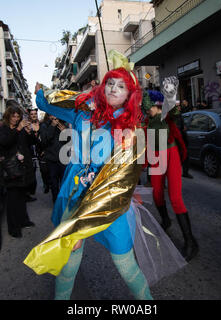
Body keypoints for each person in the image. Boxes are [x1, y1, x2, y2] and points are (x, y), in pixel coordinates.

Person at [28, 52, 154, 300]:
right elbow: (45, 104)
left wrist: (131, 140)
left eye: (122, 86)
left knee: (126, 264)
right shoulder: (84, 112)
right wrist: (42, 91)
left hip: (109, 202)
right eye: (110, 83)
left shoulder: (132, 129)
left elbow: (131, 173)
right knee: (69, 263)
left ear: (130, 96)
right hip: (76, 196)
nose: (114, 89)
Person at [143, 89, 199, 261]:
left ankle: (190, 241)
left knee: (175, 197)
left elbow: (175, 110)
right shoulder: (147, 120)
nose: (146, 109)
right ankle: (166, 220)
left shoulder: (167, 115)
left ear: (156, 104)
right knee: (157, 194)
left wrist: (170, 96)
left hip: (171, 154)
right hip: (156, 157)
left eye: (148, 105)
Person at [0, 101, 36, 238]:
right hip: (11, 169)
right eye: (14, 116)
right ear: (8, 117)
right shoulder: (3, 129)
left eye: (18, 116)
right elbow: (4, 143)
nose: (16, 119)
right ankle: (14, 228)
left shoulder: (22, 128)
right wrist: (17, 130)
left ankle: (23, 220)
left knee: (22, 197)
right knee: (12, 200)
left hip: (23, 168)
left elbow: (31, 144)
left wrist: (30, 133)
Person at [39, 113, 68, 203]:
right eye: (51, 114)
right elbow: (44, 140)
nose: (54, 117)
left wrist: (65, 132)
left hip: (63, 158)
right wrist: (52, 126)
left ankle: (62, 201)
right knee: (54, 183)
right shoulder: (44, 125)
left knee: (64, 182)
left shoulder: (64, 124)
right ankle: (55, 202)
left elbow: (69, 141)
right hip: (51, 159)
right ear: (48, 115)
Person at [171, 101, 193, 179]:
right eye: (177, 106)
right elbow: (175, 128)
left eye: (179, 106)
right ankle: (176, 172)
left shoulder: (179, 115)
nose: (179, 107)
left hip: (181, 138)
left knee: (185, 155)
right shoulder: (174, 115)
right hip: (177, 139)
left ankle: (185, 172)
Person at [25, 108, 40, 202]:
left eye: (35, 114)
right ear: (29, 115)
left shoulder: (41, 124)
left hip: (39, 152)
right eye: (32, 114)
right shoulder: (26, 126)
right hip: (29, 153)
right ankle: (28, 193)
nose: (34, 115)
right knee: (30, 174)